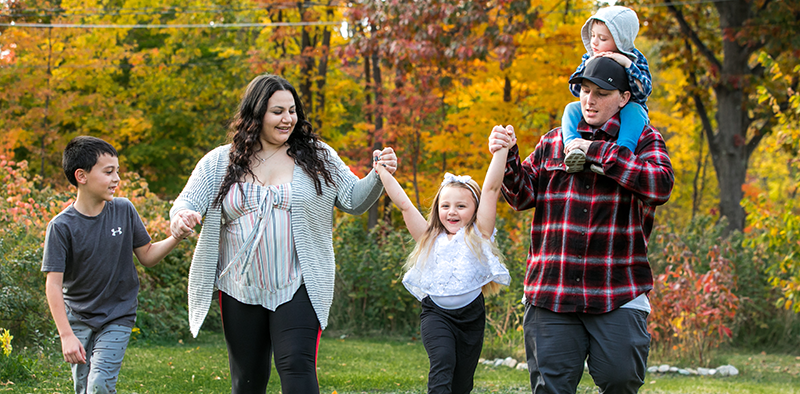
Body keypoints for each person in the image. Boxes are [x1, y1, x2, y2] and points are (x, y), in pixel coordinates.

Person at [168, 74, 396, 393]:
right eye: (278, 111)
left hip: (298, 282)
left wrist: (378, 175)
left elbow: (353, 200)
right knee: (247, 380)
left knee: (297, 367)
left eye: (292, 110)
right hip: (239, 286)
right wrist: (181, 217)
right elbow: (186, 202)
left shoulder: (317, 157)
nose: (288, 118)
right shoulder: (220, 162)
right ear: (257, 113)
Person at [488, 57, 674, 393]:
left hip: (617, 290)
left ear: (623, 98)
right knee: (551, 387)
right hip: (553, 290)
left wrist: (598, 152)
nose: (589, 100)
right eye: (585, 91)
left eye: (601, 93)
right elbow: (521, 197)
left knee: (621, 380)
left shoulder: (645, 141)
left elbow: (660, 185)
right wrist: (508, 156)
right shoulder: (553, 141)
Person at [42, 136, 183, 394]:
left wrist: (177, 236)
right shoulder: (61, 227)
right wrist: (66, 335)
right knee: (83, 387)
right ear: (81, 176)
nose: (117, 179)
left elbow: (148, 256)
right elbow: (53, 284)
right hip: (79, 316)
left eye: (117, 171)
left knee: (99, 385)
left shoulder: (124, 210)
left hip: (118, 314)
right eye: (109, 172)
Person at [373, 140, 512, 394]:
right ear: (438, 209)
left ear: (474, 209)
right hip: (436, 315)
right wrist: (382, 171)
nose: (452, 212)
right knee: (442, 361)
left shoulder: (480, 235)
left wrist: (501, 149)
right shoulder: (429, 237)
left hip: (471, 318)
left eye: (461, 206)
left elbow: (491, 189)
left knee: (461, 384)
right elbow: (404, 204)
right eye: (445, 206)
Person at [562, 5, 652, 174]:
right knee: (571, 108)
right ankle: (573, 147)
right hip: (598, 115)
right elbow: (575, 89)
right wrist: (587, 67)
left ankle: (619, 154)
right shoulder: (590, 57)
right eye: (593, 35)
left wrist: (627, 64)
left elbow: (643, 91)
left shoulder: (635, 59)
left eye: (602, 39)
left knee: (635, 110)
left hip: (627, 111)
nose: (594, 42)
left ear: (620, 41)